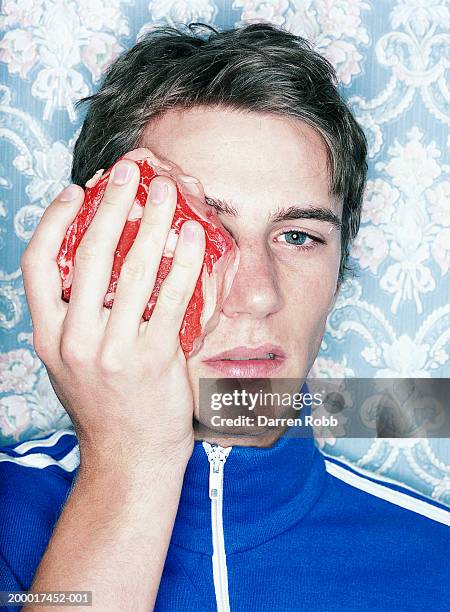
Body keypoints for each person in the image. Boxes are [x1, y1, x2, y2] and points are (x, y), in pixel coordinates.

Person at [1, 22, 448, 612]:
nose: (257, 294)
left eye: (297, 236)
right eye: (199, 234)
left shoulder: (434, 559)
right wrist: (130, 462)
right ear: (96, 255)